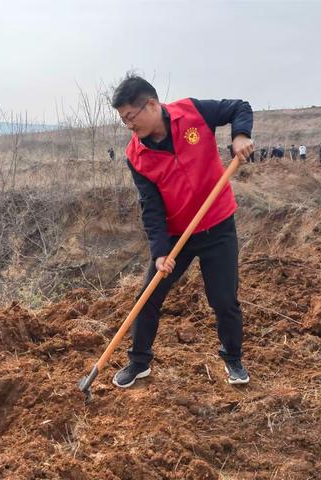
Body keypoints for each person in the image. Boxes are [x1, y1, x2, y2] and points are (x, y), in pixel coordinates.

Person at [110, 74, 253, 388]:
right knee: (147, 297)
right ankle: (139, 362)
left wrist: (240, 135)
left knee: (224, 299)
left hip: (217, 224)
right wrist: (160, 252)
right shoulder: (136, 156)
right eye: (123, 121)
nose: (129, 126)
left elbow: (240, 107)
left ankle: (233, 359)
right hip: (177, 235)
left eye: (130, 117)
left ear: (151, 105)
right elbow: (151, 206)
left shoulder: (192, 112)